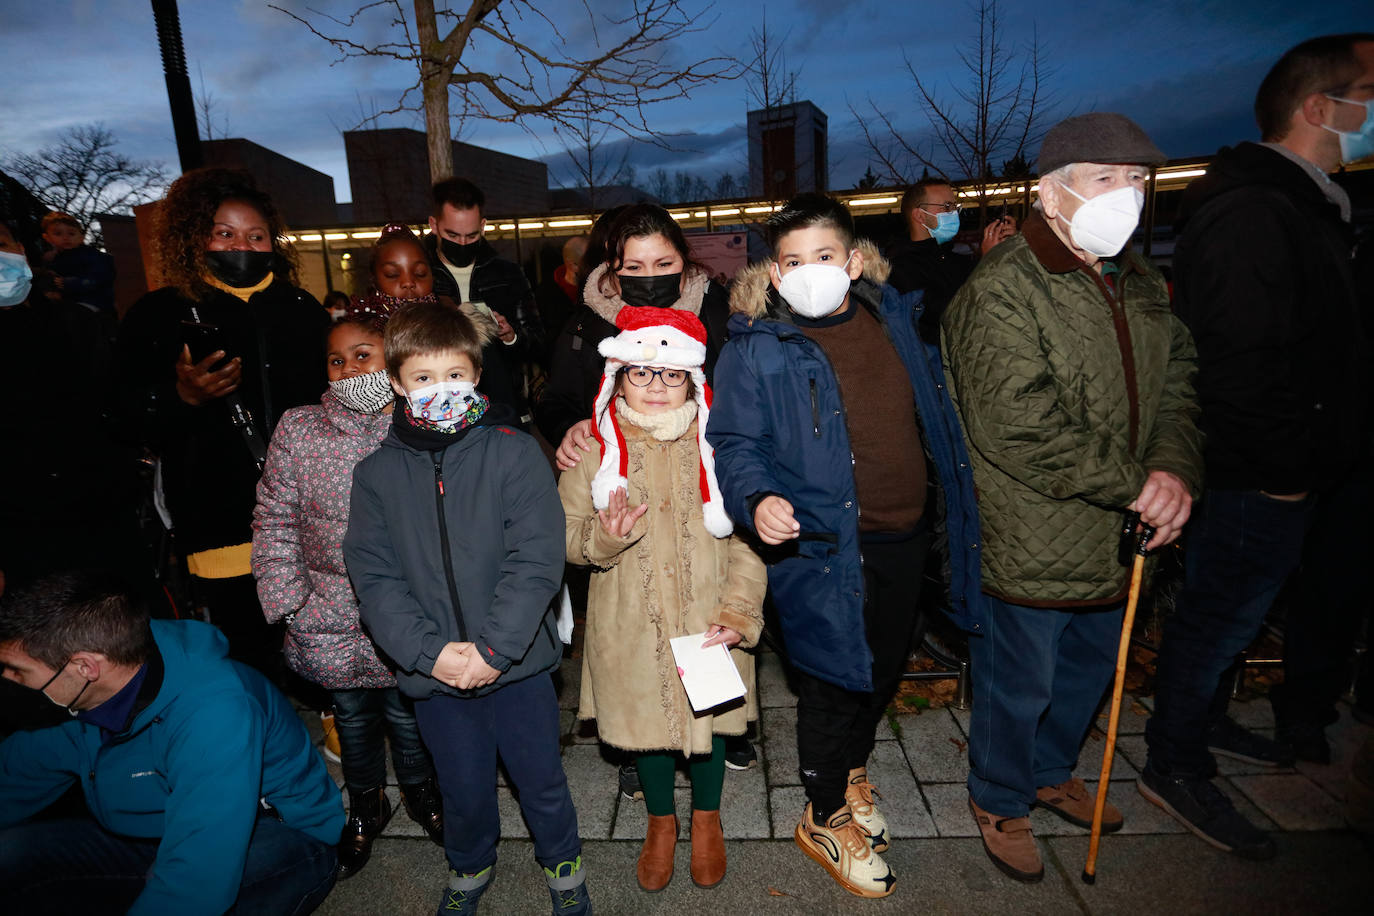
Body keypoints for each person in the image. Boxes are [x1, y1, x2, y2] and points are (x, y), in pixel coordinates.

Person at [940, 113, 1203, 882]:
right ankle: (999, 796)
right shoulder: (1004, 288)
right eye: (1105, 178)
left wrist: (1173, 470)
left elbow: (1178, 384)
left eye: (1138, 180)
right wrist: (1138, 485)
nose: (1127, 194)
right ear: (1051, 194)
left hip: (1122, 529)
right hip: (1032, 530)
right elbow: (1014, 421)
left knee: (1090, 669)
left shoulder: (1139, 279)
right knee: (1019, 684)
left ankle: (1051, 773)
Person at [707, 193, 983, 898]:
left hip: (906, 534)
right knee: (832, 679)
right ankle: (823, 811)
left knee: (882, 666)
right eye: (793, 261)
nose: (810, 271)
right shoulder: (755, 349)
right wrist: (756, 498)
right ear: (775, 273)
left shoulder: (897, 323)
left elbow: (934, 416)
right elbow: (735, 443)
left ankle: (853, 769)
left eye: (824, 256)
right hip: (823, 546)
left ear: (853, 261)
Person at [1143, 34, 1374, 859]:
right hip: (1256, 473)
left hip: (1288, 466)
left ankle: (1202, 721)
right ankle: (1174, 760)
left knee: (1231, 615)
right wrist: (1282, 475)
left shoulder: (1303, 204)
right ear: (1319, 107)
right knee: (1217, 617)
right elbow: (1239, 363)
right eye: (1368, 93)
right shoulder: (1255, 213)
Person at [343, 301, 590, 915]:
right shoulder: (375, 474)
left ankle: (563, 865)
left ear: (476, 374)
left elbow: (536, 558)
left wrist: (494, 649)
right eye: (423, 377)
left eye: (454, 374)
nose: (442, 388)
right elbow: (373, 576)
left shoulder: (513, 452)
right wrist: (429, 654)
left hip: (517, 663)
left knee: (541, 778)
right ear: (396, 383)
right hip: (435, 672)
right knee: (461, 783)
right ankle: (469, 864)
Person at [560, 307, 766, 893]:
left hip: (709, 614)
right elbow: (565, 537)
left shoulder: (720, 447)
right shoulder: (595, 450)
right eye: (641, 373)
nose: (656, 386)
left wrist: (739, 610)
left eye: (671, 374)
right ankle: (660, 823)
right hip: (631, 620)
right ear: (619, 377)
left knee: (710, 721)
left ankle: (706, 819)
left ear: (692, 379)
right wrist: (606, 537)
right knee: (644, 723)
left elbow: (749, 539)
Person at [0, 571, 343, 915]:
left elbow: (199, 877)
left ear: (84, 667)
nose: (7, 678)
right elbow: (16, 770)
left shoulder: (214, 714)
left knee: (186, 892)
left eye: (17, 670)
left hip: (273, 834)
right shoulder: (97, 680)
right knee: (12, 853)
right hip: (155, 831)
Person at [252, 305, 444, 879]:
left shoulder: (423, 422)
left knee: (409, 712)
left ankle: (420, 790)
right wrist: (289, 599)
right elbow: (275, 515)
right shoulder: (300, 427)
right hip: (326, 607)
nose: (349, 369)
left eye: (363, 355)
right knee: (352, 717)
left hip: (405, 608)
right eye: (336, 361)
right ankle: (365, 801)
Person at [117, 168, 328, 678]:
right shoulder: (160, 314)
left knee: (323, 637)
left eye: (256, 236)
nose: (242, 247)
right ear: (195, 237)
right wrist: (180, 397)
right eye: (224, 233)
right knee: (248, 649)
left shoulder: (303, 310)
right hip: (220, 515)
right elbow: (123, 417)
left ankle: (330, 711)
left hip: (309, 512)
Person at [535, 203, 732, 474]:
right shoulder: (586, 326)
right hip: (619, 478)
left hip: (706, 474)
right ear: (611, 268)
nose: (650, 277)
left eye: (664, 264)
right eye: (634, 267)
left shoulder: (720, 315)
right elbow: (555, 400)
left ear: (684, 259)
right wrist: (569, 428)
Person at [354, 223, 519, 415]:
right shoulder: (361, 338)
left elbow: (500, 397)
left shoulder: (464, 327)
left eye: (420, 273)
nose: (408, 282)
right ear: (374, 279)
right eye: (392, 274)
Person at [424, 177, 543, 417]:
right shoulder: (419, 276)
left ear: (483, 226)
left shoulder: (508, 274)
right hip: (438, 407)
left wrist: (510, 337)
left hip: (502, 405)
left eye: (471, 236)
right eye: (453, 235)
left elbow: (537, 341)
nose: (462, 244)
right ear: (434, 225)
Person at [885, 179, 1015, 341]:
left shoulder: (957, 261)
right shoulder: (898, 270)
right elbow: (950, 314)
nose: (954, 213)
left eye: (955, 206)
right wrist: (987, 263)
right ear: (920, 215)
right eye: (947, 207)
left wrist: (1009, 249)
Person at [38, 211, 116, 319]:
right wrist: (50, 291)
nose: (65, 237)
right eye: (58, 234)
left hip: (94, 304)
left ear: (81, 237)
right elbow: (49, 278)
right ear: (47, 238)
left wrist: (71, 283)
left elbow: (101, 277)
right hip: (69, 304)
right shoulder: (53, 260)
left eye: (71, 234)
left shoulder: (91, 255)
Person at [533, 234, 589, 367]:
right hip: (560, 366)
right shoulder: (545, 295)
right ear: (573, 265)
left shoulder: (597, 289)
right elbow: (540, 338)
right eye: (588, 261)